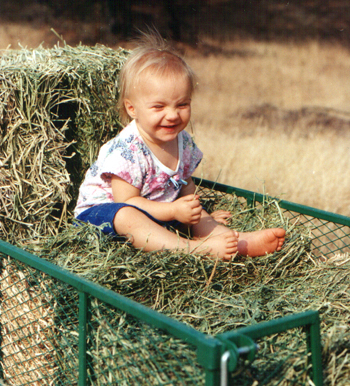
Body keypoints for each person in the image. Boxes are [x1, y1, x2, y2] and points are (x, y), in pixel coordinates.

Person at [74, 32, 285, 261]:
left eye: (182, 104)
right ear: (132, 109)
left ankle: (239, 241)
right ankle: (192, 249)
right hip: (105, 216)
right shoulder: (128, 150)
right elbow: (127, 200)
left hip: (156, 210)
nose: (173, 115)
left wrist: (199, 213)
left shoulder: (182, 141)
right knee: (127, 215)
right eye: (159, 107)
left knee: (196, 213)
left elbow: (184, 182)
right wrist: (174, 211)